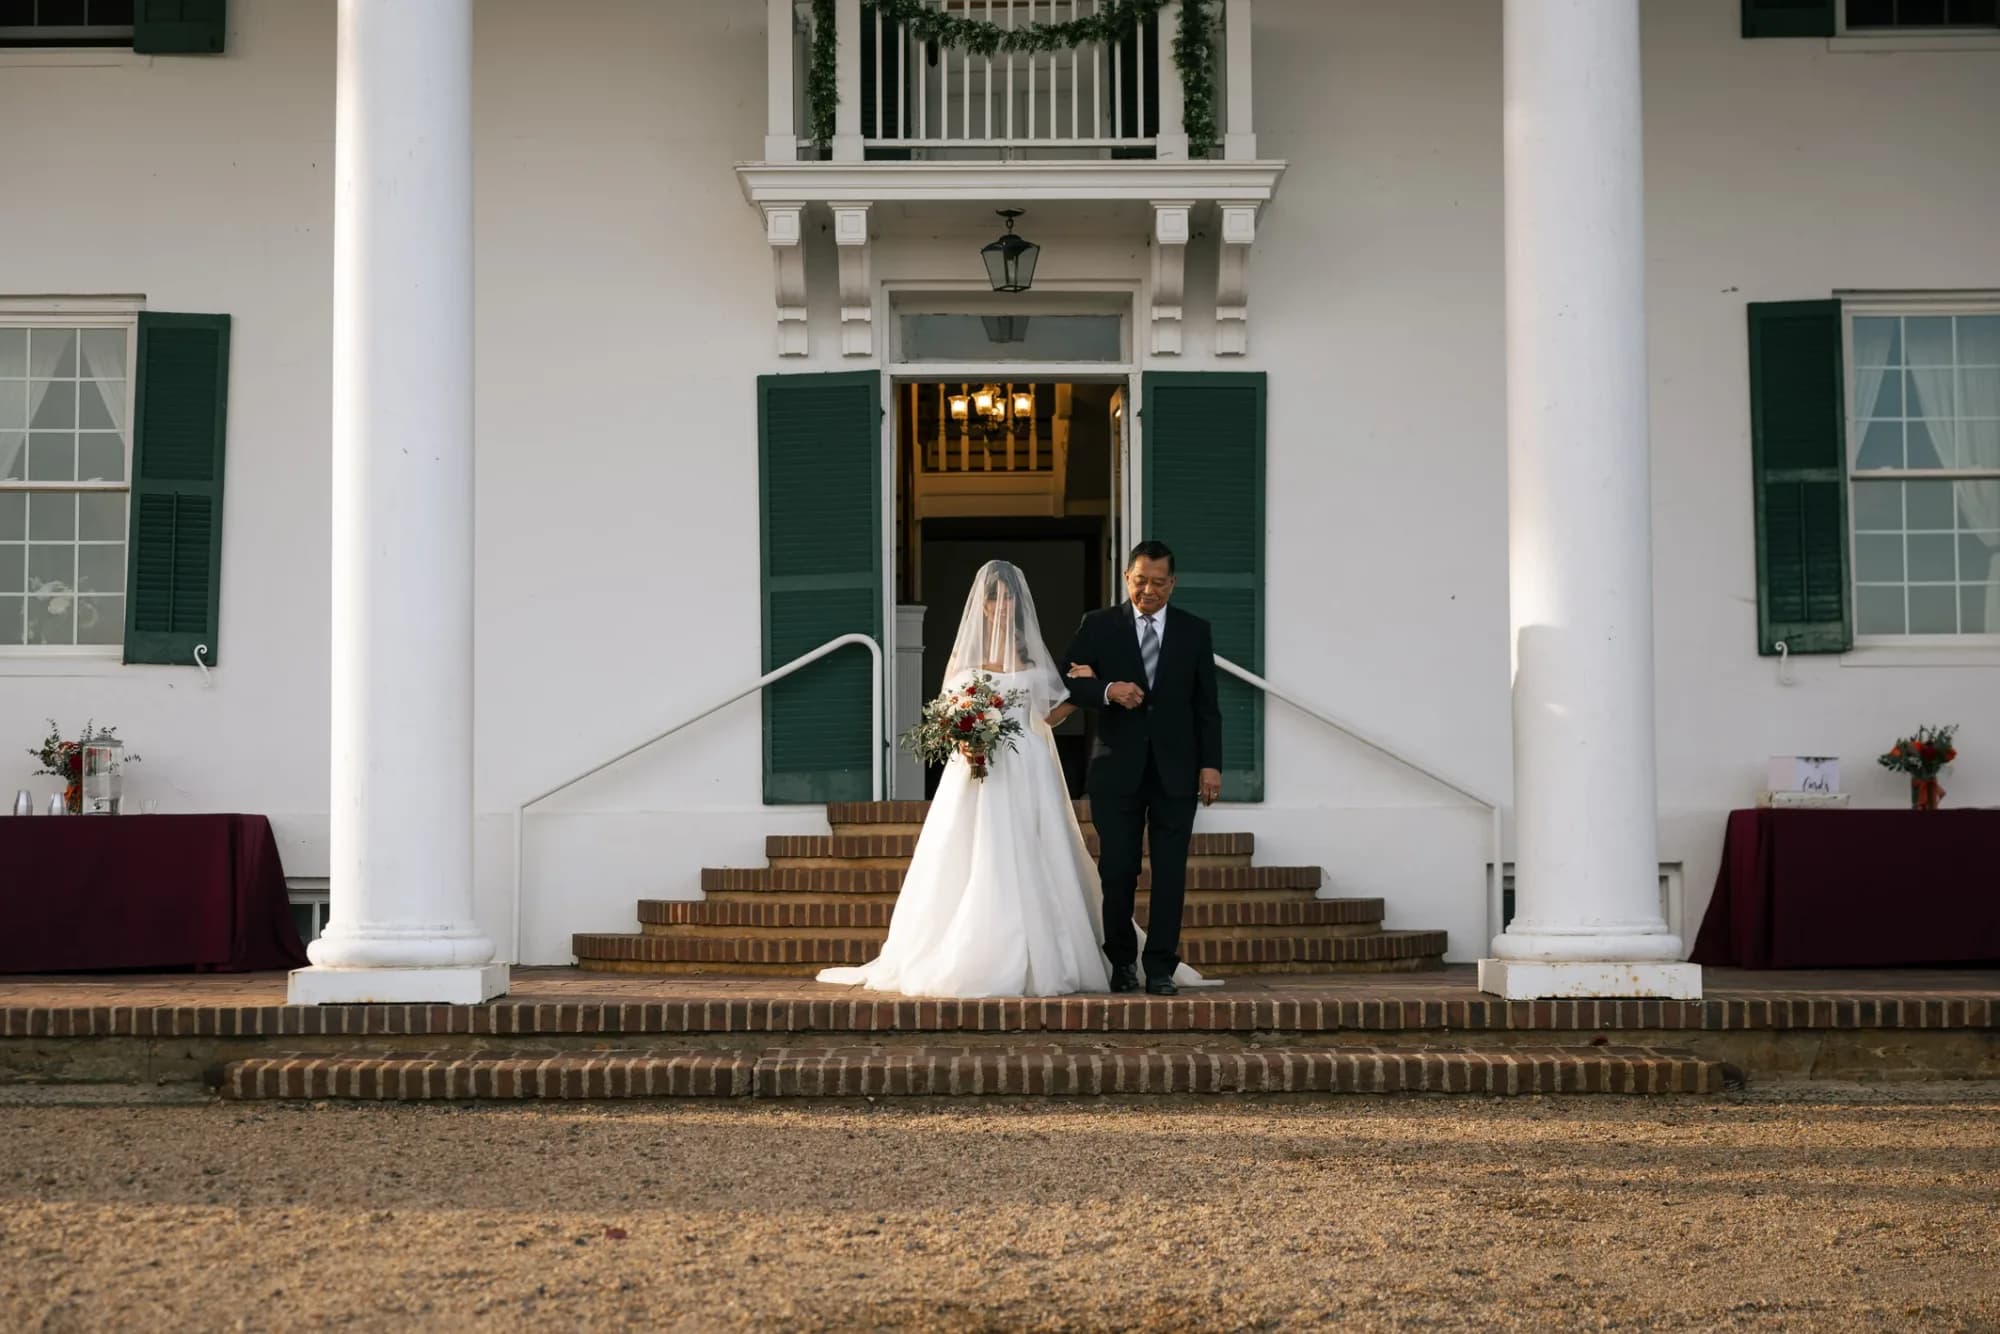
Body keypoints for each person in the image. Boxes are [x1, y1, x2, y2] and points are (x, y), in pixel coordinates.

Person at [816, 560, 1206, 998]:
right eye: (993, 596)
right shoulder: (965, 662)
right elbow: (947, 713)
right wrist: (964, 735)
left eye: (1008, 597)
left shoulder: (1033, 659)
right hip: (978, 774)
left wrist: (1088, 687)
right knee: (977, 854)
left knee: (1037, 851)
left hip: (1030, 767)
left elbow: (1055, 711)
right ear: (980, 605)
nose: (1000, 604)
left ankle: (1059, 953)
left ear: (1018, 604)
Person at [1060, 540, 1223, 996]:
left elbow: (1207, 706)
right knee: (1118, 870)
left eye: (1157, 582)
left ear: (1172, 583)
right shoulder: (1099, 625)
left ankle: (1161, 968)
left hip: (1177, 770)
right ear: (1127, 578)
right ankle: (1122, 964)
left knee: (1170, 871)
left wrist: (1211, 765)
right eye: (1139, 581)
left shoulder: (1194, 630)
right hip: (1117, 768)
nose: (1146, 590)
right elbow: (1065, 679)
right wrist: (1109, 690)